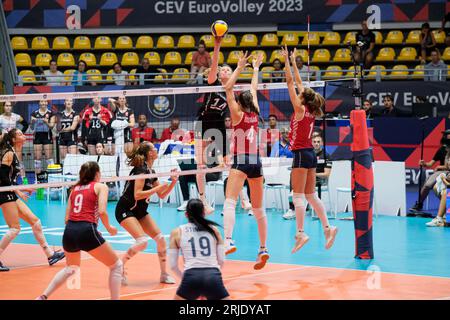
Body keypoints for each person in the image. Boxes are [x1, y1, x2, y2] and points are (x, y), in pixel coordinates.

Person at [36, 161, 122, 300]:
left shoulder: (74, 189)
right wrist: (109, 228)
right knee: (117, 265)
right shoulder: (100, 186)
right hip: (86, 230)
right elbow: (102, 211)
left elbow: (66, 219)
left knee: (71, 268)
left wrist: (89, 229)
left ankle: (43, 296)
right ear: (97, 174)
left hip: (69, 231)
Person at [282, 45, 338, 253]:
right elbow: (298, 83)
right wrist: (294, 59)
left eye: (301, 93)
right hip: (311, 156)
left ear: (303, 98)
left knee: (297, 196)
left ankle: (301, 233)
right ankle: (327, 228)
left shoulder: (299, 109)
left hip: (299, 154)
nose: (299, 91)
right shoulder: (311, 112)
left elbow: (290, 82)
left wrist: (287, 61)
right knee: (311, 195)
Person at [222, 51, 269, 270]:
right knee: (259, 210)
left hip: (241, 160)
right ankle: (263, 248)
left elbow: (228, 88)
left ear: (240, 103)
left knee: (230, 201)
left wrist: (240, 66)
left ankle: (229, 240)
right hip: (256, 162)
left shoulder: (237, 113)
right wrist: (256, 69)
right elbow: (253, 88)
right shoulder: (255, 111)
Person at [0, 129, 65, 272]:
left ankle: (50, 255)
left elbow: (9, 179)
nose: (23, 135)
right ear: (13, 139)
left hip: (10, 192)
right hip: (4, 193)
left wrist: (22, 189)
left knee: (35, 222)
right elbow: (2, 179)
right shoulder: (9, 153)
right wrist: (18, 190)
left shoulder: (15, 153)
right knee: (15, 228)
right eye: (20, 134)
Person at [115, 142, 178, 285]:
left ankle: (163, 274)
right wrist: (157, 189)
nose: (156, 151)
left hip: (140, 211)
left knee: (161, 239)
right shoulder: (140, 170)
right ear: (150, 153)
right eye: (154, 149)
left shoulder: (151, 172)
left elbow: (162, 195)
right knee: (142, 242)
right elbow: (137, 195)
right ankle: (119, 266)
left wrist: (173, 182)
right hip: (126, 209)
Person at [194, 36, 230, 215]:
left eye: (227, 70)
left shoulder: (231, 91)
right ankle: (202, 199)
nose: (223, 70)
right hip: (203, 122)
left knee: (229, 164)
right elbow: (214, 65)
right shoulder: (213, 82)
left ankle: (236, 200)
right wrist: (217, 46)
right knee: (200, 166)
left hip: (220, 126)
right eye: (222, 69)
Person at [169, 199, 229, 300]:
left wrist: (186, 279)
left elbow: (173, 266)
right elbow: (222, 260)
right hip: (212, 277)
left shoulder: (177, 232)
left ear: (186, 214)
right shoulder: (214, 230)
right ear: (204, 213)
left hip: (191, 277)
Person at [410, 132, 450, 213]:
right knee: (428, 185)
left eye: (447, 134)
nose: (445, 136)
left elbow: (447, 166)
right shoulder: (442, 150)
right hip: (442, 172)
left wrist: (440, 167)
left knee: (439, 188)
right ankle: (419, 204)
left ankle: (446, 206)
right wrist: (424, 163)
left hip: (446, 170)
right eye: (445, 135)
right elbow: (430, 164)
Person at [177, 141, 222, 212]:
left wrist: (209, 169)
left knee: (198, 175)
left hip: (214, 173)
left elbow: (222, 165)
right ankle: (186, 201)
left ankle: (203, 201)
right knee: (182, 175)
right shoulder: (202, 149)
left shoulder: (217, 148)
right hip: (201, 172)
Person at [0, 101, 28, 174]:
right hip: (4, 143)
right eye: (6, 106)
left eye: (10, 106)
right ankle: (8, 180)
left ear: (12, 107)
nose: (8, 107)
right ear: (3, 107)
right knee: (6, 162)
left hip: (14, 142)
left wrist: (20, 134)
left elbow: (25, 124)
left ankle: (24, 180)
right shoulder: (0, 118)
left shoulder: (16, 116)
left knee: (19, 161)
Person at [30, 99, 56, 176]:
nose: (43, 103)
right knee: (37, 158)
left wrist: (46, 122)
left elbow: (51, 126)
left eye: (45, 102)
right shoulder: (34, 113)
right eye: (41, 101)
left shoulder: (51, 113)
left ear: (47, 103)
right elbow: (31, 127)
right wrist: (32, 122)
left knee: (49, 157)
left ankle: (52, 177)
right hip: (37, 136)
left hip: (47, 136)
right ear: (39, 103)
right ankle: (37, 178)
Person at [57, 98, 79, 163]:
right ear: (64, 103)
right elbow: (58, 128)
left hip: (72, 139)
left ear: (72, 103)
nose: (69, 102)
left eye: (70, 101)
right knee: (64, 159)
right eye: (67, 100)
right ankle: (64, 173)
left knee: (72, 160)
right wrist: (61, 129)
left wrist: (63, 130)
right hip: (62, 139)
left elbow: (72, 128)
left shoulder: (76, 114)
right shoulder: (60, 114)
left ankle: (73, 173)